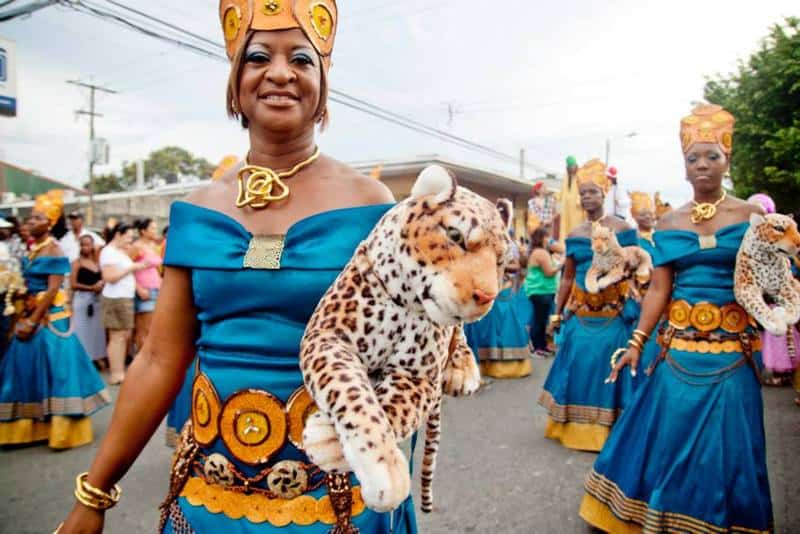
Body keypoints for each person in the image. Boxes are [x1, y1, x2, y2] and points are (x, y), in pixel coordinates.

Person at [57, 2, 418, 533]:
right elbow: (158, 359)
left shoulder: (371, 204)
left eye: (301, 58)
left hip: (340, 499)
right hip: (214, 496)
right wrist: (93, 495)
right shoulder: (199, 209)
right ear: (235, 82)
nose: (279, 72)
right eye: (257, 57)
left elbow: (404, 356)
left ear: (322, 85)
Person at [580, 104, 772, 533]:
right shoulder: (669, 222)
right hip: (679, 349)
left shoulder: (751, 217)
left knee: (728, 447)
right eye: (692, 159)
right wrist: (636, 344)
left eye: (712, 156)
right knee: (666, 439)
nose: (702, 166)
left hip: (732, 354)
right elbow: (660, 289)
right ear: (683, 167)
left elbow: (765, 280)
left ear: (727, 160)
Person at [538, 158, 638, 452]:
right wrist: (556, 313)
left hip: (613, 315)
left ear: (604, 193)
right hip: (580, 316)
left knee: (609, 368)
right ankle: (574, 429)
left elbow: (639, 270)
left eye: (592, 191)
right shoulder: (575, 234)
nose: (586, 197)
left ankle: (612, 432)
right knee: (578, 366)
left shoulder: (623, 228)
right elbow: (568, 278)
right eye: (582, 193)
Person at [0, 191, 110, 449]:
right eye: (30, 218)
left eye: (37, 218)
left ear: (49, 223)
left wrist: (33, 321)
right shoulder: (34, 249)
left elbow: (52, 290)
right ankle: (28, 428)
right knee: (24, 368)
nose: (30, 222)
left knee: (57, 370)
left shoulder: (53, 248)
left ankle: (62, 430)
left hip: (50, 319)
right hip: (31, 311)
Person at [465, 199, 533, 378]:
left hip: (504, 287)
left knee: (507, 323)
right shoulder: (482, 236)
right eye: (499, 213)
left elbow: (517, 265)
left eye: (504, 214)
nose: (501, 217)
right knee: (487, 324)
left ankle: (507, 365)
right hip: (487, 285)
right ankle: (484, 364)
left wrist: (505, 265)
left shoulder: (509, 241)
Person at [99, 223, 148, 385]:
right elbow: (109, 277)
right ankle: (116, 373)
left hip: (124, 297)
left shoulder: (119, 252)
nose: (130, 240)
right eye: (127, 236)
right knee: (117, 336)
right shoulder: (109, 252)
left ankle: (119, 371)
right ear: (118, 235)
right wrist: (132, 267)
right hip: (115, 298)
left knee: (123, 336)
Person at [524, 226, 563, 357]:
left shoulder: (541, 251)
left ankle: (543, 345)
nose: (549, 240)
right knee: (539, 320)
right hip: (540, 291)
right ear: (542, 238)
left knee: (542, 319)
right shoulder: (541, 253)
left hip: (543, 290)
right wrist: (561, 265)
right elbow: (549, 272)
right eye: (547, 237)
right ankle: (537, 347)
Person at [70, 235, 107, 365]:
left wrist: (100, 285)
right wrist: (91, 288)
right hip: (82, 299)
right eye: (82, 245)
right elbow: (73, 284)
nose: (85, 247)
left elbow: (103, 278)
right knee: (81, 329)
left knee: (96, 331)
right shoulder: (76, 263)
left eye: (88, 245)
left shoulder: (97, 262)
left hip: (96, 300)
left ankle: (96, 357)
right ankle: (81, 359)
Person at [132, 218, 163, 353]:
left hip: (156, 289)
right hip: (144, 290)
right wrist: (138, 288)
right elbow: (126, 267)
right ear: (143, 231)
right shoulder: (137, 246)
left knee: (153, 329)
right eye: (152, 228)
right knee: (144, 329)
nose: (155, 231)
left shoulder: (153, 246)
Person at [557, 155, 585, 240]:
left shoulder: (581, 176)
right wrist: (556, 197)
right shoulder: (566, 177)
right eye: (569, 167)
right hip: (566, 209)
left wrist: (580, 200)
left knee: (576, 228)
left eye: (572, 166)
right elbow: (561, 192)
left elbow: (583, 189)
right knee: (565, 229)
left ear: (576, 166)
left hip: (577, 209)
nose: (571, 168)